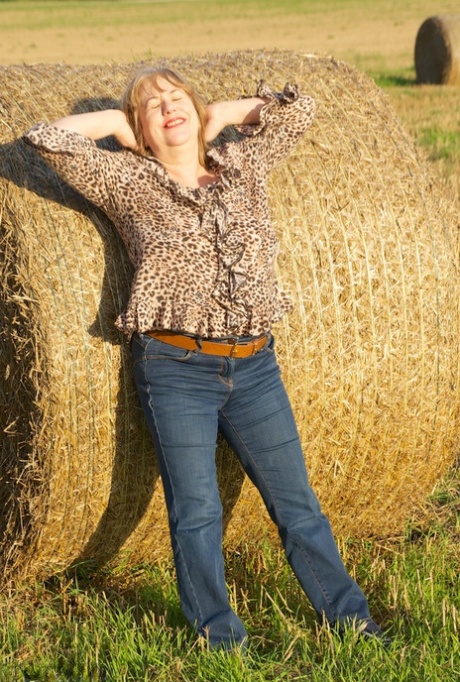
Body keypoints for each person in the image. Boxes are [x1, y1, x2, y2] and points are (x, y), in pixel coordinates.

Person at [23, 66, 390, 651]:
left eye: (177, 97)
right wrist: (116, 123)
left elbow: (300, 109)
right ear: (140, 130)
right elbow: (45, 138)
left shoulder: (243, 165)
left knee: (299, 509)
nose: (168, 107)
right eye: (150, 106)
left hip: (255, 366)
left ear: (196, 110)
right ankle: (220, 641)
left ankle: (353, 623)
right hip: (175, 370)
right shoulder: (127, 181)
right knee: (196, 514)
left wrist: (224, 112)